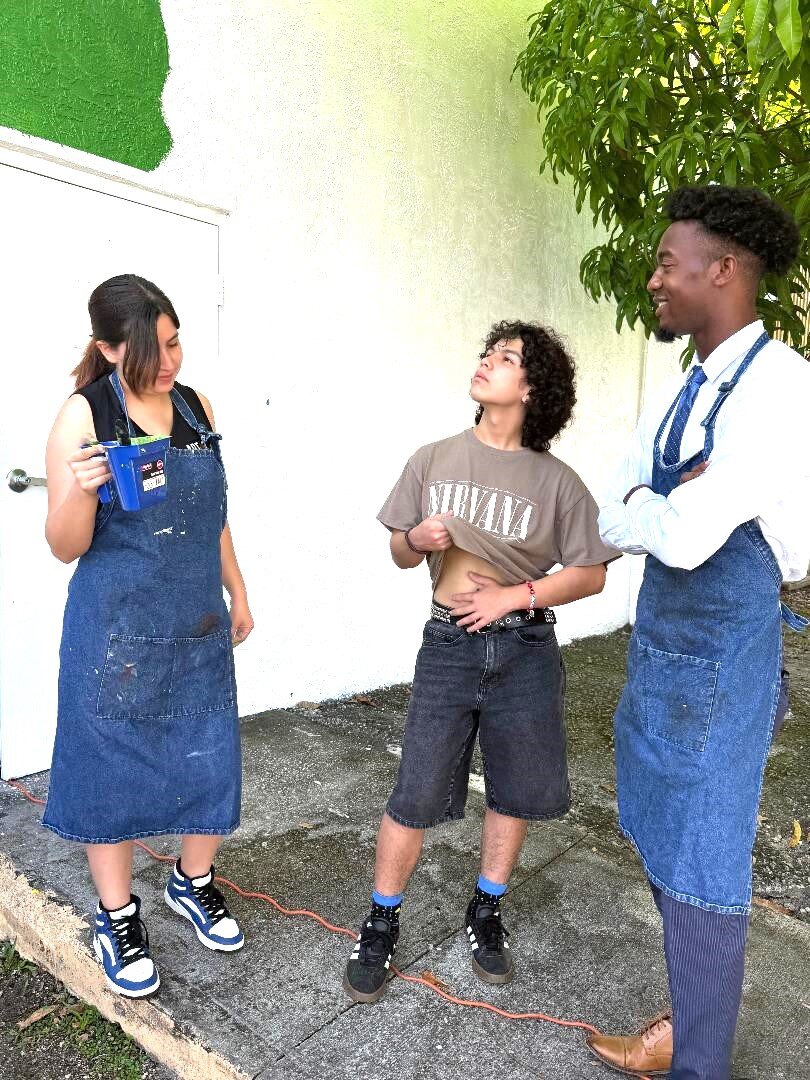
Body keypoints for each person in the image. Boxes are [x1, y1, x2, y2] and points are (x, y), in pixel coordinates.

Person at [592, 186, 810, 1078]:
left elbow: (681, 538)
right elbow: (611, 515)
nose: (652, 280)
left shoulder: (781, 386)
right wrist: (661, 503)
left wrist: (654, 505)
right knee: (656, 823)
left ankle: (699, 1058)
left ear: (721, 270)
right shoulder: (687, 386)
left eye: (665, 263)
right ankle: (692, 1014)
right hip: (663, 654)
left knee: (704, 856)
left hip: (724, 657)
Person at [342, 320, 617, 1003]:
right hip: (448, 647)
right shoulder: (433, 459)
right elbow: (400, 553)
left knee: (512, 789)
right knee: (415, 790)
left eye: (507, 357)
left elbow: (591, 573)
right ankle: (381, 920)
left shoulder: (557, 482)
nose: (488, 361)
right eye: (488, 352)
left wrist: (512, 597)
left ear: (532, 389)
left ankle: (486, 908)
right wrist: (415, 538)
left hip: (525, 648)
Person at [42, 274, 254, 998]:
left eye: (174, 343)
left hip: (194, 620)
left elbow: (212, 513)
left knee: (209, 757)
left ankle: (192, 882)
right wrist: (83, 489)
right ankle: (117, 916)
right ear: (107, 348)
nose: (168, 362)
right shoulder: (85, 414)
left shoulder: (195, 407)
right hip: (115, 632)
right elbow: (64, 546)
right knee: (111, 772)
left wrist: (237, 587)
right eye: (150, 349)